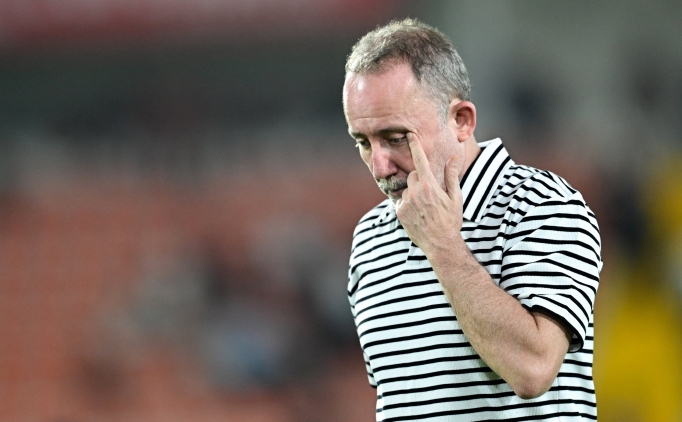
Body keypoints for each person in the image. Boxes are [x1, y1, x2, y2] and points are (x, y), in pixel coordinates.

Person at [344, 19, 601, 421]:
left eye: (395, 138)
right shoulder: (369, 240)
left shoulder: (544, 205)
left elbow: (532, 369)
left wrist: (442, 245)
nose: (379, 165)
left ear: (461, 120)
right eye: (363, 142)